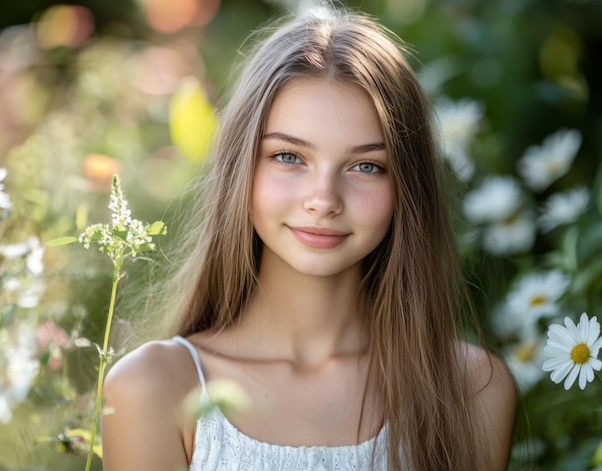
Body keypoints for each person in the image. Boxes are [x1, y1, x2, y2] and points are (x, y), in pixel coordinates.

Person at [101, 8, 517, 471]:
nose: (324, 200)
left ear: (407, 187)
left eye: (366, 166)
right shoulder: (154, 388)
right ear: (242, 168)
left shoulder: (471, 389)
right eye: (288, 156)